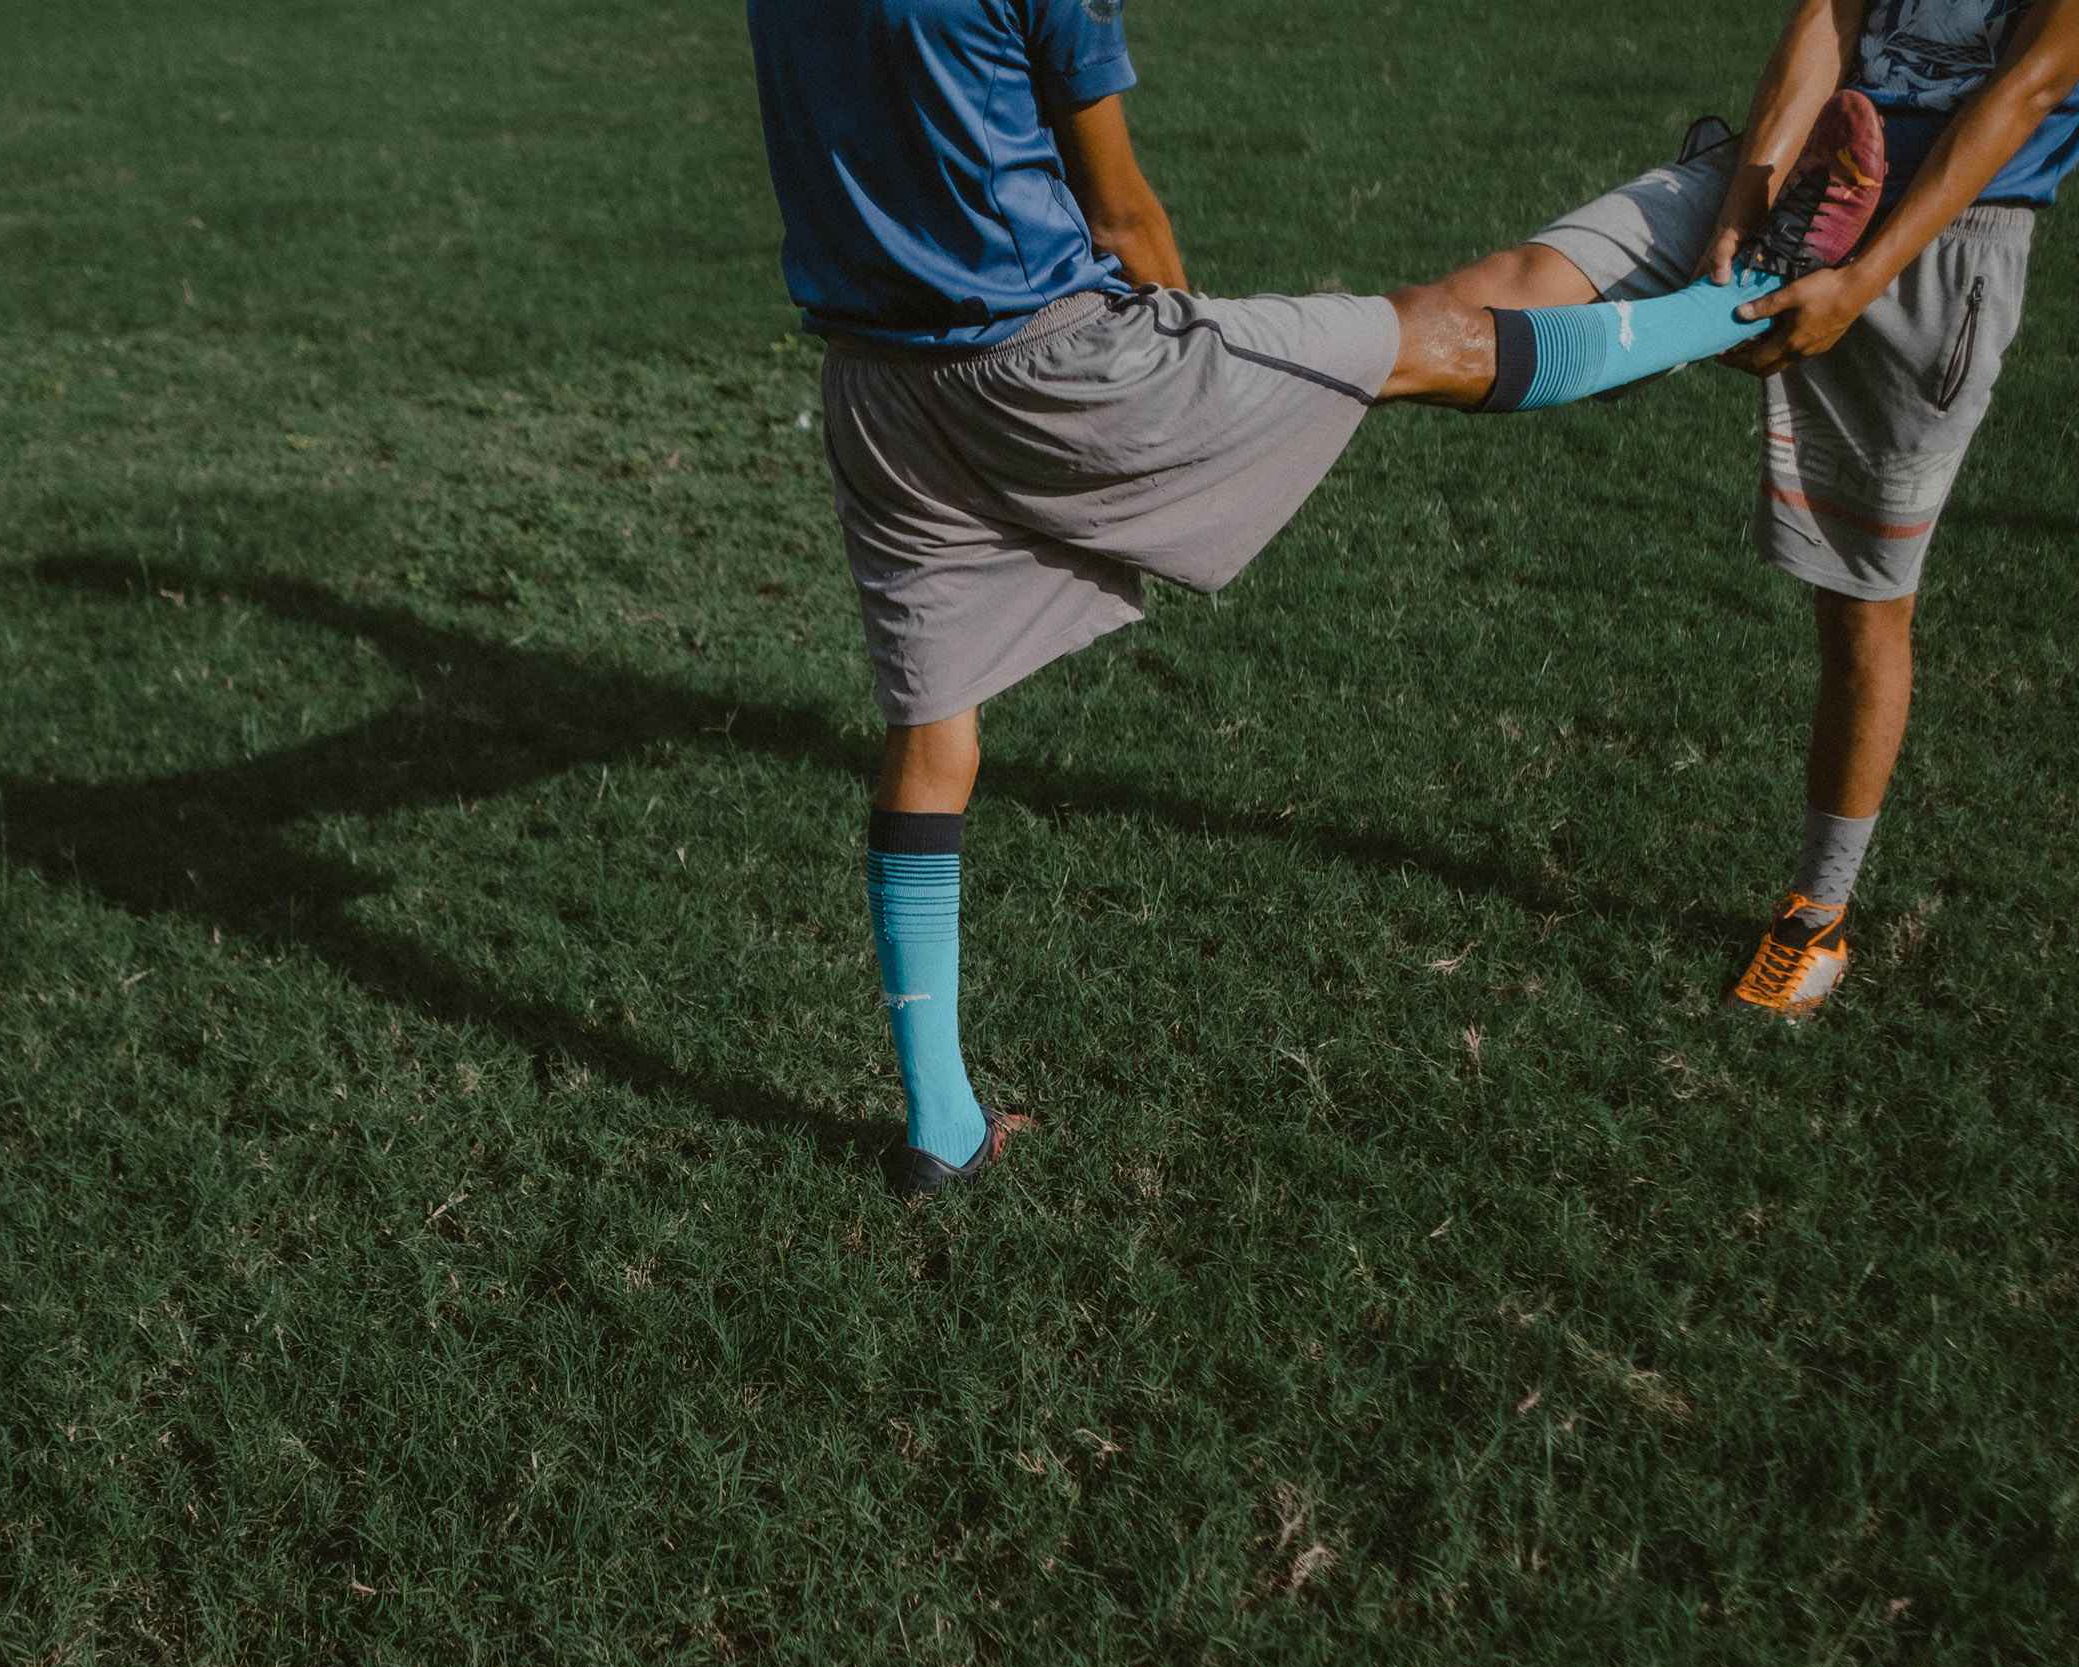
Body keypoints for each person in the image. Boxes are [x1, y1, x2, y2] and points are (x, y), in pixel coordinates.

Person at [745, 0, 1882, 1192]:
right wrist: (1190, 354)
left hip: (878, 387)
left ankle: (940, 1128)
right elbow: (1122, 210)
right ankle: (1746, 294)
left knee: (933, 724)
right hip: (1059, 367)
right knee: (1433, 338)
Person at [1438, 0, 2079, 1018]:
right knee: (1511, 295)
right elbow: (1832, 9)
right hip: (1802, 174)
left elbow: (2028, 90)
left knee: (1863, 600)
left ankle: (1816, 916)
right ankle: (1296, 359)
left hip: (1942, 242)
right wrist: (1743, 194)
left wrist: (1863, 278)